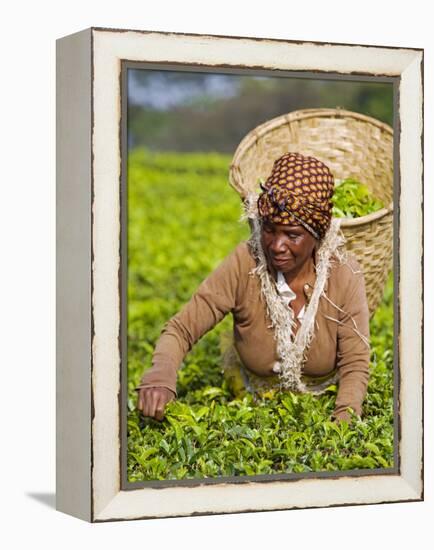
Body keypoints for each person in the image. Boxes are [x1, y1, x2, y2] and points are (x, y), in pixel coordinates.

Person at [136, 152, 370, 423]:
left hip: (324, 400)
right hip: (250, 402)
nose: (276, 245)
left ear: (317, 235)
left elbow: (355, 362)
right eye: (270, 229)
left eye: (292, 235)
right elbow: (181, 329)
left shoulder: (343, 272)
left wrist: (345, 418)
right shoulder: (245, 262)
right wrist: (160, 376)